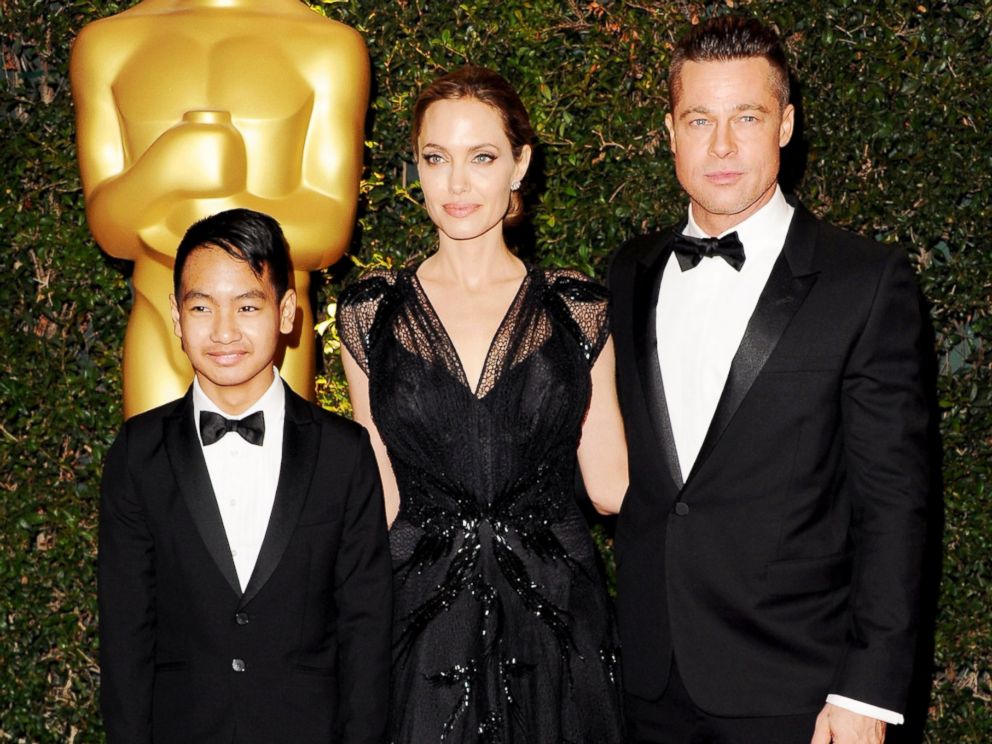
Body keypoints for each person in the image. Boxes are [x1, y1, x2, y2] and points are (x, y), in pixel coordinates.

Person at [608, 15, 929, 744]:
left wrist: (868, 692)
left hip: (802, 693)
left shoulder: (864, 282)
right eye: (699, 119)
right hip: (648, 685)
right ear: (670, 131)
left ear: (785, 124)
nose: (721, 146)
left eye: (746, 117)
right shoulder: (629, 273)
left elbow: (894, 504)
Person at [336, 65, 628, 743]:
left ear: (520, 165)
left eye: (482, 158)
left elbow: (613, 485)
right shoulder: (371, 311)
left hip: (558, 624)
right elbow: (376, 491)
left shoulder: (576, 309)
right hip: (417, 622)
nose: (457, 184)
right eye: (436, 159)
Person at [98, 208, 392, 744]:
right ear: (175, 314)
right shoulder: (138, 455)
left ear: (285, 312)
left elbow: (366, 631)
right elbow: (124, 635)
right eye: (202, 306)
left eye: (248, 305)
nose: (225, 330)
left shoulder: (344, 454)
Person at [70, 0, 369, 417]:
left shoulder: (328, 47)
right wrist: (164, 168)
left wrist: (217, 212)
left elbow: (330, 230)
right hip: (159, 322)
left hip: (272, 334)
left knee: (282, 479)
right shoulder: (108, 44)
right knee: (153, 476)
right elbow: (108, 229)